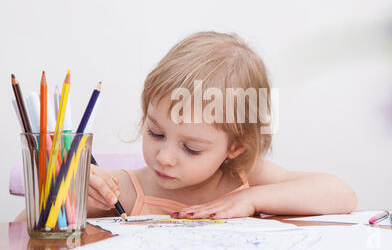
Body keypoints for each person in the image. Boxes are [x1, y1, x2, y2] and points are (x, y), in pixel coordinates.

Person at [87, 31, 358, 220]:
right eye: (155, 132)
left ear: (236, 146)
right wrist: (75, 184)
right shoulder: (127, 190)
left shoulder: (244, 178)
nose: (165, 157)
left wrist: (251, 199)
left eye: (191, 148)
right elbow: (51, 212)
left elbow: (342, 195)